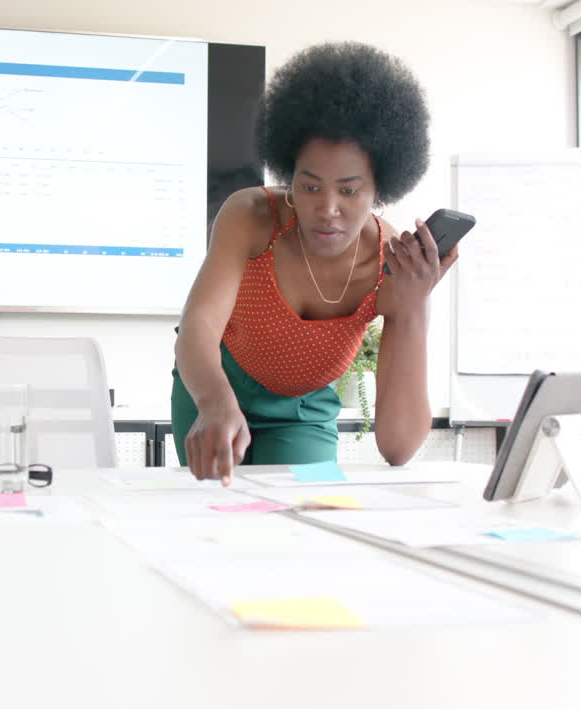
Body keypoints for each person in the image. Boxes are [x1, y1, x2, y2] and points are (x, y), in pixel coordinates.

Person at [172, 41, 457, 483]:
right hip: (215, 387)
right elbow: (199, 327)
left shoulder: (392, 263)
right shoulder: (251, 216)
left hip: (303, 411)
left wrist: (414, 303)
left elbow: (399, 447)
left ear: (379, 188)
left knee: (305, 515)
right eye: (309, 187)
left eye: (348, 190)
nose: (327, 208)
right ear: (289, 176)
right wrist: (214, 403)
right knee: (217, 511)